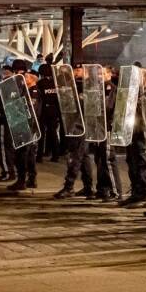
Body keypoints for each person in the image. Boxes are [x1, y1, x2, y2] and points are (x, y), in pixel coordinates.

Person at [55, 65, 96, 199]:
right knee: (83, 157)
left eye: (78, 70)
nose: (75, 73)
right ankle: (88, 187)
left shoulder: (90, 86)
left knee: (76, 157)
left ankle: (69, 186)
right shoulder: (76, 86)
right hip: (75, 125)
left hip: (82, 126)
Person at [120, 63, 146, 208]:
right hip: (132, 131)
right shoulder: (134, 92)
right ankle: (136, 191)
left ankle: (144, 194)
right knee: (131, 161)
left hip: (142, 132)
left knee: (141, 162)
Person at [8, 60, 40, 192]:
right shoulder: (26, 91)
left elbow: (30, 109)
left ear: (32, 80)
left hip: (29, 126)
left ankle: (22, 180)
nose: (24, 79)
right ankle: (31, 179)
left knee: (23, 155)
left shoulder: (33, 92)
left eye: (26, 77)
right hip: (27, 126)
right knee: (29, 155)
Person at [93, 65, 122, 201]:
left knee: (108, 159)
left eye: (102, 74)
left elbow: (109, 107)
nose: (100, 76)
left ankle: (116, 191)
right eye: (98, 74)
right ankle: (103, 188)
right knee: (99, 159)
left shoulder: (111, 89)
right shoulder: (98, 88)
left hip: (107, 128)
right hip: (98, 127)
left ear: (109, 74)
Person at [0, 62, 18, 183]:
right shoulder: (15, 84)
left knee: (3, 147)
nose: (4, 74)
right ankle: (11, 171)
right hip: (11, 119)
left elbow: (0, 103)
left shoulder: (4, 85)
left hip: (4, 120)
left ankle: (8, 172)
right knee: (9, 147)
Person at [37, 63, 62, 162]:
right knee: (53, 133)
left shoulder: (40, 83)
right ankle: (56, 155)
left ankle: (39, 156)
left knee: (41, 133)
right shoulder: (56, 83)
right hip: (54, 110)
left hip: (43, 110)